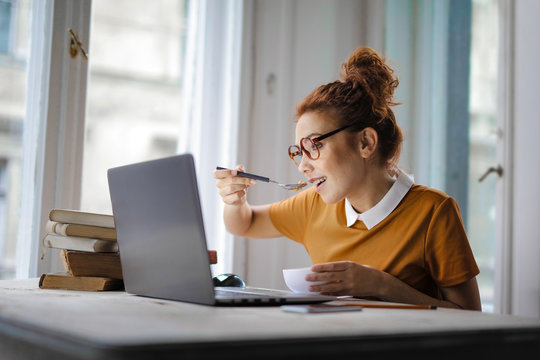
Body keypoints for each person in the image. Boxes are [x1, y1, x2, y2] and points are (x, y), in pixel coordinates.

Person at [214, 47, 481, 310]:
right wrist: (235, 202)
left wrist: (382, 286)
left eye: (313, 146)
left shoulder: (434, 212)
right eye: (299, 152)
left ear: (365, 142)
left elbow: (470, 318)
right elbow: (244, 224)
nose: (302, 166)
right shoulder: (313, 206)